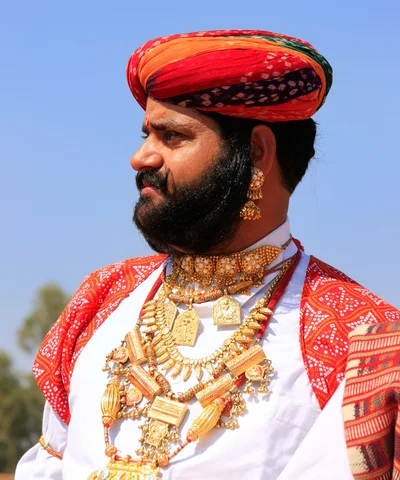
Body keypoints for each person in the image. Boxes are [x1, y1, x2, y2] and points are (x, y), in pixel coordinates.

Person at [15, 29, 400, 480]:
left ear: (257, 152)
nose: (141, 158)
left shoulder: (364, 341)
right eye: (146, 135)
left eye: (172, 136)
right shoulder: (102, 298)